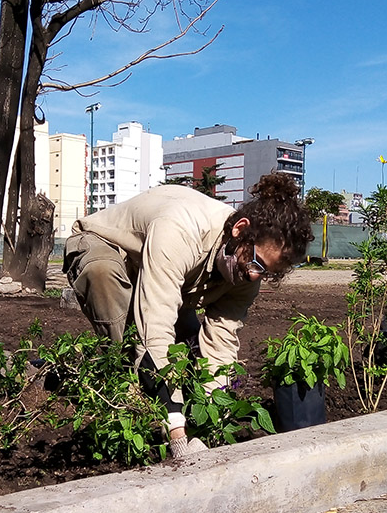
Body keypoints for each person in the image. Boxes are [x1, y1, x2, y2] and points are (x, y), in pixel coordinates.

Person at [62, 173, 313, 458]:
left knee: (191, 360)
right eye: (255, 262)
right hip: (107, 248)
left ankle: (148, 386)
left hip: (159, 278)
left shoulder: (248, 276)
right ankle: (121, 380)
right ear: (239, 230)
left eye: (267, 272)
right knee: (105, 278)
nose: (255, 275)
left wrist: (214, 419)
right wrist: (177, 432)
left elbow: (221, 341)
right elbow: (155, 328)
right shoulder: (181, 229)